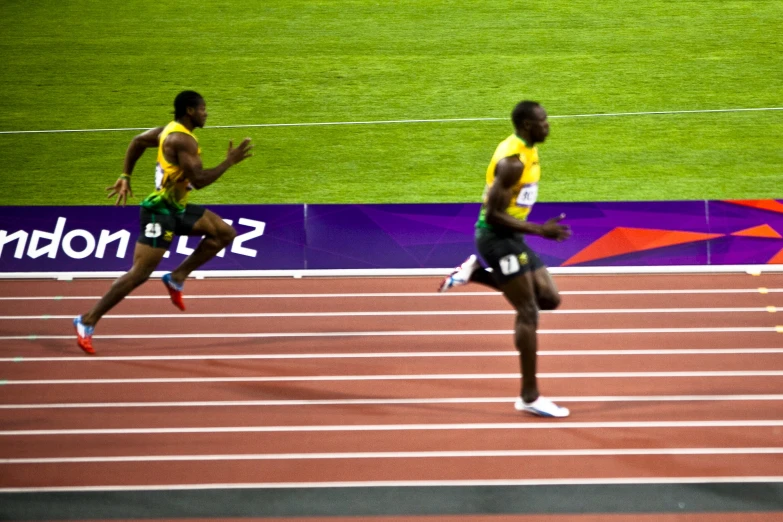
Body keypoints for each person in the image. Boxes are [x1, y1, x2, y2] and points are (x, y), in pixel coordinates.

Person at [73, 91, 253, 354]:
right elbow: (200, 180)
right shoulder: (182, 140)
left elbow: (137, 142)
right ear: (190, 111)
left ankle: (177, 276)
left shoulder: (167, 131)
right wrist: (229, 161)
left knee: (224, 233)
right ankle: (87, 320)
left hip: (176, 208)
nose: (206, 113)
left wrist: (125, 175)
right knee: (139, 274)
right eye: (203, 109)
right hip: (159, 213)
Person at [438, 100, 572, 418]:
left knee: (549, 299)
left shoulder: (529, 149)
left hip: (512, 237)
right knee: (527, 311)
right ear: (527, 125)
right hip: (496, 238)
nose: (548, 125)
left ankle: (474, 274)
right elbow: (493, 215)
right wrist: (540, 230)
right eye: (543, 121)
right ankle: (529, 395)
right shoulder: (511, 162)